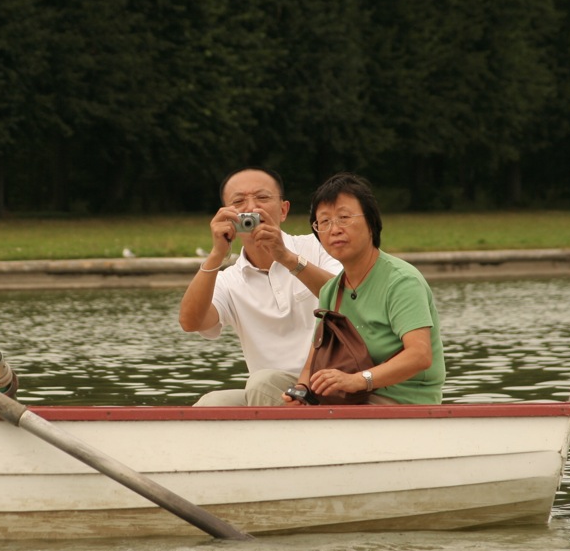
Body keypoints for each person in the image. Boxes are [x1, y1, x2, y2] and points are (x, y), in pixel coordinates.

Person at [178, 167, 342, 405]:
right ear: (225, 215)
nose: (252, 208)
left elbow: (346, 297)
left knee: (261, 382)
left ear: (283, 210)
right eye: (238, 201)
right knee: (211, 404)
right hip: (269, 394)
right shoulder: (229, 279)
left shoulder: (318, 247)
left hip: (330, 384)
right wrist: (216, 254)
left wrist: (285, 257)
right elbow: (190, 322)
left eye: (263, 198)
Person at [285, 172, 445, 405]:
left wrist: (359, 380)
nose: (334, 229)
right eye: (324, 221)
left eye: (344, 217)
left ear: (371, 222)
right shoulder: (331, 289)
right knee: (263, 384)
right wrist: (301, 391)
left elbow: (419, 356)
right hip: (346, 397)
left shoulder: (401, 281)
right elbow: (313, 362)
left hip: (401, 403)